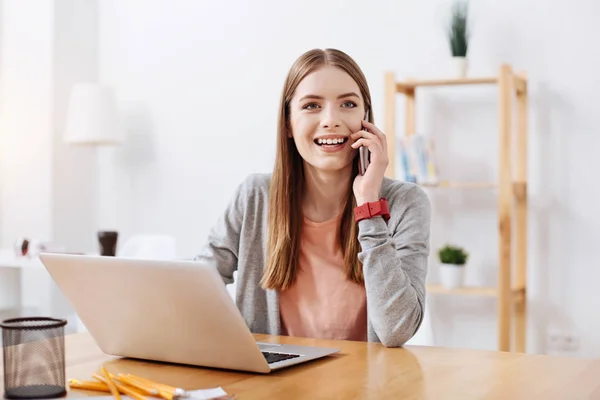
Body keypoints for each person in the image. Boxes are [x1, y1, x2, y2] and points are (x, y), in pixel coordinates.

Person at [194, 48, 431, 347]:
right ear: (287, 124)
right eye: (312, 106)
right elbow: (197, 283)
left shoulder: (405, 203)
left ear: (366, 120)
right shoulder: (256, 196)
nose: (331, 120)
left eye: (347, 103)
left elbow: (397, 329)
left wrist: (369, 206)